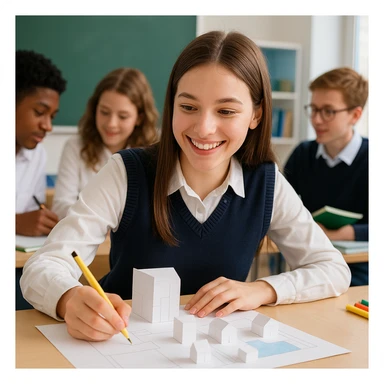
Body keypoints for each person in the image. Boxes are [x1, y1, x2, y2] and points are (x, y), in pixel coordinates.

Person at [21, 31, 350, 341]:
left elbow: (332, 268)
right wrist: (68, 297)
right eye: (188, 107)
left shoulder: (266, 182)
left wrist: (262, 289)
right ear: (171, 105)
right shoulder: (125, 171)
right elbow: (43, 266)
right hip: (124, 346)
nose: (204, 128)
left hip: (214, 351)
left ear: (256, 114)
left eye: (226, 110)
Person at [284, 67, 368, 286]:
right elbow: (278, 205)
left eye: (328, 111)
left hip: (361, 274)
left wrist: (339, 232)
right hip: (311, 270)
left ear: (355, 115)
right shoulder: (303, 154)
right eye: (313, 109)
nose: (316, 120)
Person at [52, 68, 159, 220]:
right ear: (95, 109)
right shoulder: (75, 146)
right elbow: (61, 206)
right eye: (104, 112)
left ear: (139, 118)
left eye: (123, 116)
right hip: (87, 237)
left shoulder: (153, 152)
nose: (111, 124)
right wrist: (103, 221)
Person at [16, 49, 67, 310]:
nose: (48, 125)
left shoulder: (36, 155)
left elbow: (32, 210)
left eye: (53, 116)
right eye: (40, 112)